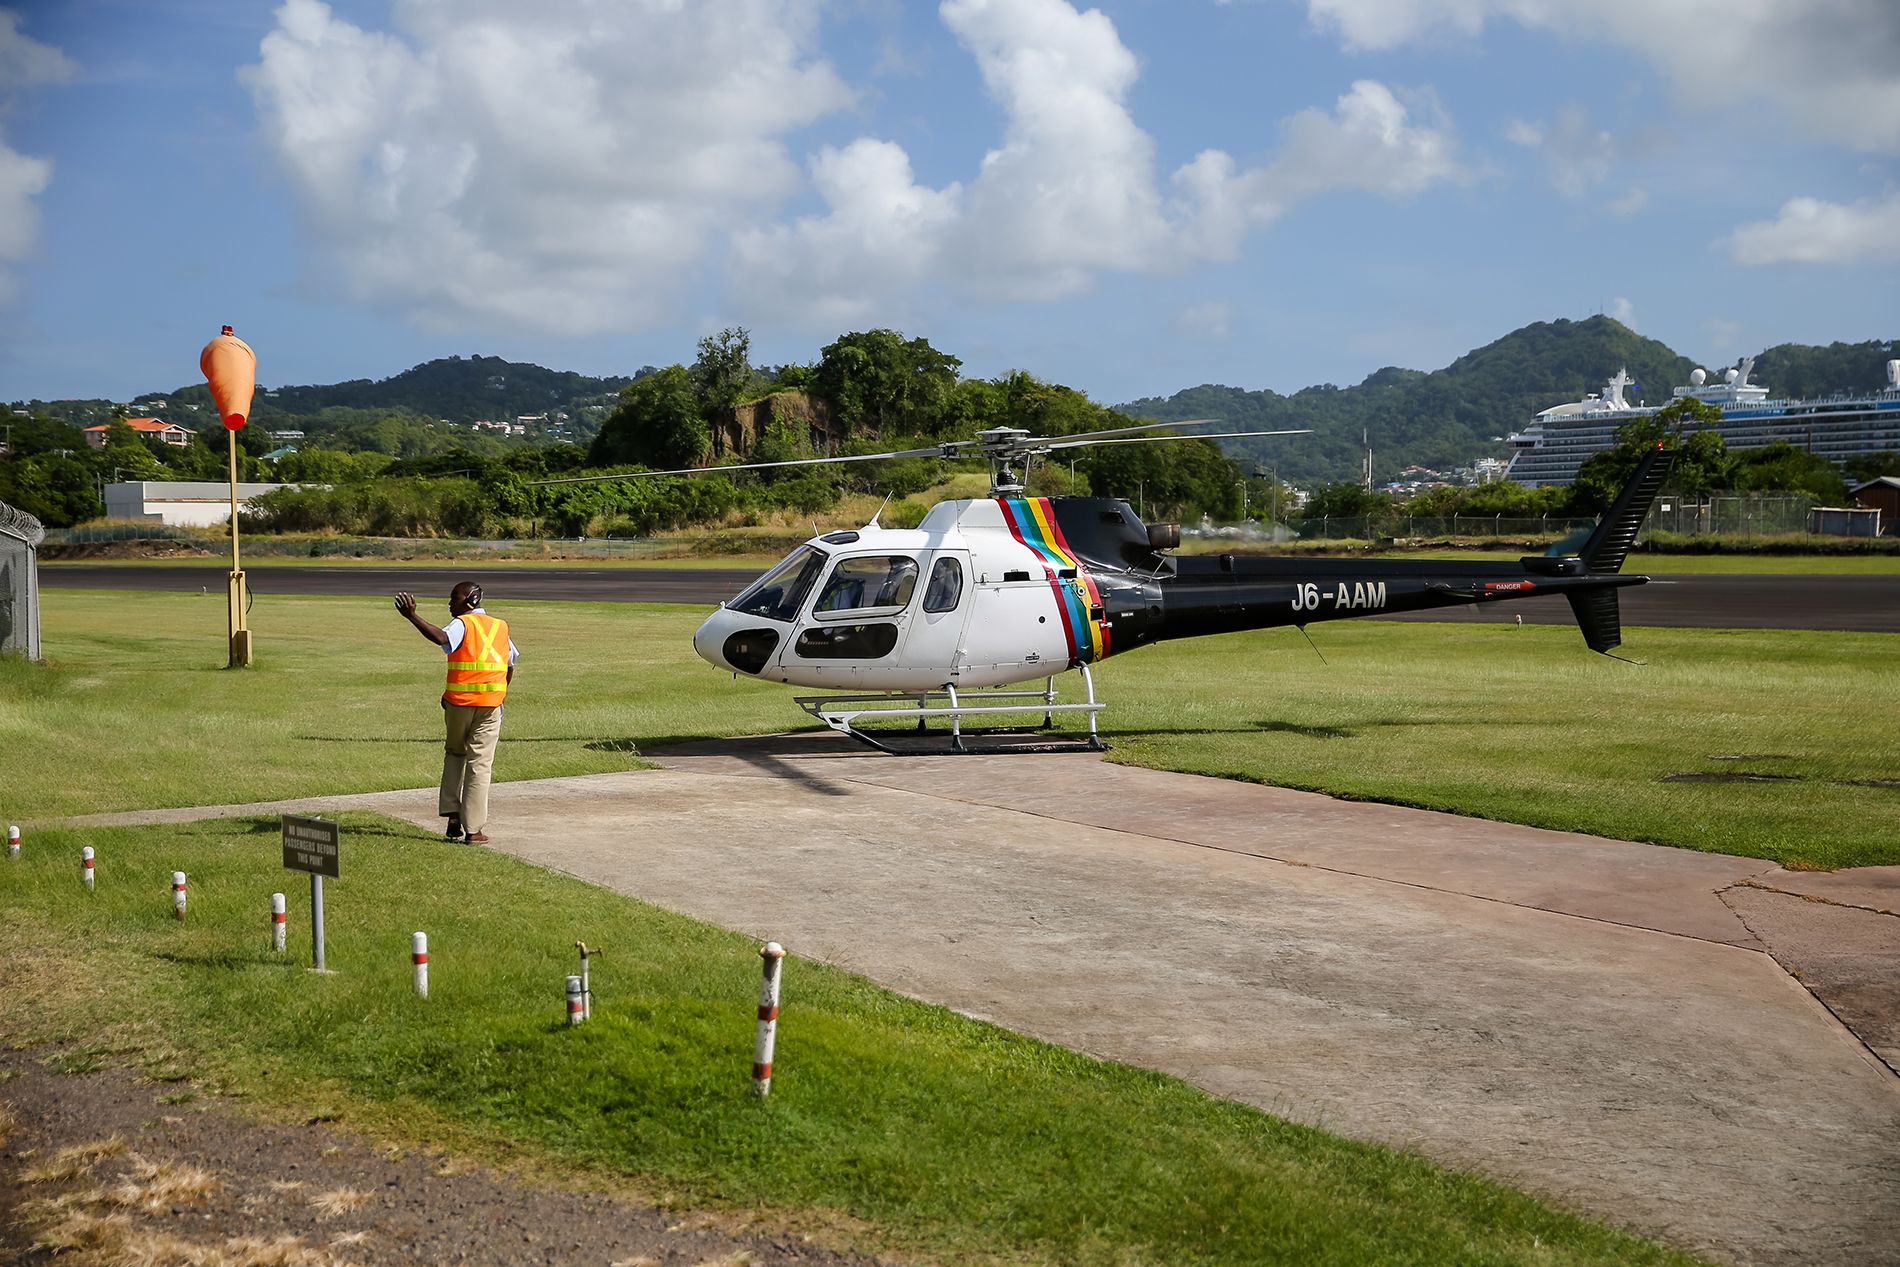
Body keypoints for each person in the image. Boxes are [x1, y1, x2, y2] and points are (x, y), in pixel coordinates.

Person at [394, 582, 518, 844]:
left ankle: (452, 813)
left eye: (454, 598)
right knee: (480, 765)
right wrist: (500, 693)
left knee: (455, 753)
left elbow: (441, 638)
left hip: (459, 704)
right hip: (490, 706)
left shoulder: (462, 623)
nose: (450, 603)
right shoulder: (500, 627)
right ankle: (473, 830)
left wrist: (412, 616)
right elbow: (510, 663)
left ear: (470, 601)